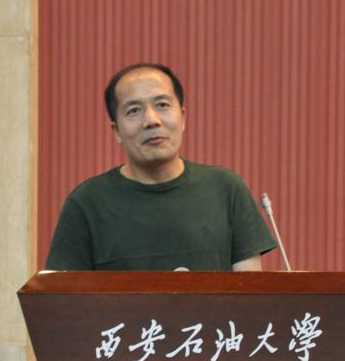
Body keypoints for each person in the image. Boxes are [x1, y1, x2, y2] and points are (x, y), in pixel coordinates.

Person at [46, 63, 276, 271]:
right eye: (134, 110)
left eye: (162, 105)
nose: (151, 120)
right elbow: (64, 297)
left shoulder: (226, 189)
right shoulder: (87, 202)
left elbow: (249, 293)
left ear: (182, 117)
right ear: (116, 131)